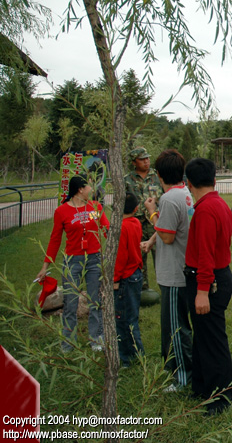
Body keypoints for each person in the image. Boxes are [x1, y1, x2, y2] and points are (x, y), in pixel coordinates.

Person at [184, 158, 232, 415]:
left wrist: (202, 291)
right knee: (203, 336)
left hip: (208, 280)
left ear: (188, 183)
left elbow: (206, 255)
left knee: (213, 339)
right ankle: (202, 387)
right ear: (214, 180)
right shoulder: (220, 204)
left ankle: (220, 398)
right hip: (218, 275)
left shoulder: (204, 211)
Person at [37, 175, 110, 352]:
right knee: (70, 302)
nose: (91, 190)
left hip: (94, 258)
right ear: (80, 189)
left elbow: (106, 229)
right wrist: (45, 266)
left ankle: (96, 339)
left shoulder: (95, 207)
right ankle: (68, 342)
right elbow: (55, 240)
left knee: (95, 300)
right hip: (72, 260)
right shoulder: (62, 211)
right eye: (89, 187)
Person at [142, 150, 193, 391]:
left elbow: (168, 236)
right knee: (175, 324)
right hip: (178, 271)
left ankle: (182, 377)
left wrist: (151, 212)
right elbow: (169, 228)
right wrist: (152, 242)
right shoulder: (184, 194)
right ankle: (172, 366)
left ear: (159, 175)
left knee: (175, 327)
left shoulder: (169, 200)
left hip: (174, 274)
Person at [125, 147, 162, 289]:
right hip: (136, 223)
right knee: (139, 256)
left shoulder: (157, 176)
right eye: (142, 159)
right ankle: (142, 287)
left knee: (160, 255)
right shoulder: (127, 180)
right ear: (134, 162)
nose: (146, 161)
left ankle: (163, 285)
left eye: (147, 158)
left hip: (155, 221)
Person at [114, 193, 144, 367]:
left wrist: (115, 279)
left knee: (123, 319)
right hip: (136, 274)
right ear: (136, 208)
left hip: (125, 276)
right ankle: (136, 353)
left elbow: (120, 256)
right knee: (132, 316)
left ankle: (127, 357)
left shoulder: (121, 227)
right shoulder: (136, 223)